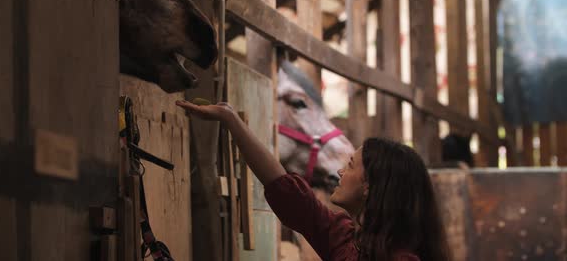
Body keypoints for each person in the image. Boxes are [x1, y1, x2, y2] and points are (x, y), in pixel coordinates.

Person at [176, 100, 450, 261]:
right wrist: (231, 119)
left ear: (370, 186)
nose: (341, 172)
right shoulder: (346, 237)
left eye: (351, 166)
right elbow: (288, 193)